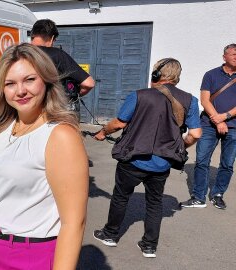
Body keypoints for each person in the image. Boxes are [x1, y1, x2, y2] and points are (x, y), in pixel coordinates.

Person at [0, 43, 89, 269]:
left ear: (47, 80)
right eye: (10, 83)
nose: (20, 90)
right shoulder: (1, 128)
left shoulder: (60, 135)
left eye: (29, 79)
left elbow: (73, 222)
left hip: (30, 254)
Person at [93, 58, 201, 258]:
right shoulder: (190, 100)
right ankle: (149, 246)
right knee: (154, 202)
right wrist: (179, 146)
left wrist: (101, 132)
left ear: (156, 75)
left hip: (132, 159)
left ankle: (110, 235)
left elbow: (118, 123)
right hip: (162, 163)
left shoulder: (139, 95)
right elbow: (195, 134)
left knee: (120, 197)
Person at [180, 44, 236, 210]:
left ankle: (218, 194)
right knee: (202, 161)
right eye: (233, 54)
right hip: (208, 124)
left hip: (233, 126)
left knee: (227, 164)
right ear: (224, 57)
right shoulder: (211, 75)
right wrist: (218, 121)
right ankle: (198, 197)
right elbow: (204, 100)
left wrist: (225, 117)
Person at [30, 19, 95, 117]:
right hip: (52, 112)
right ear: (52, 38)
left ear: (33, 34)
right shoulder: (57, 55)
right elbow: (89, 83)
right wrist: (75, 94)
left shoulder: (20, 53)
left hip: (29, 112)